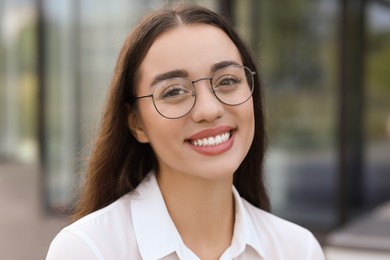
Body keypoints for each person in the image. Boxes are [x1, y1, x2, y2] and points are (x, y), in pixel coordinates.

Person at [46, 3, 325, 260]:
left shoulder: (298, 249)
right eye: (174, 91)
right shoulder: (88, 250)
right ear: (137, 123)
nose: (209, 109)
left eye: (227, 80)